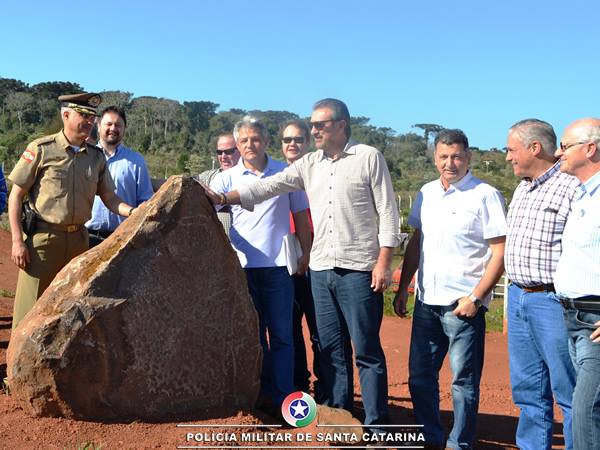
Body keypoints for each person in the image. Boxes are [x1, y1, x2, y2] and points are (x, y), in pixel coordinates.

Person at [205, 99, 400, 434]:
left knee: (366, 349)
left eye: (319, 125)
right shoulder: (309, 163)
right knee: (330, 348)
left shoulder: (368, 157)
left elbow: (389, 213)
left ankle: (377, 425)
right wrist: (225, 198)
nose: (313, 131)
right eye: (312, 125)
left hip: (358, 269)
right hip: (322, 270)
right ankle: (339, 418)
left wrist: (384, 262)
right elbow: (269, 186)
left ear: (341, 124)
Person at [393, 129, 506, 449]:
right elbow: (417, 241)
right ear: (434, 158)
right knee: (419, 376)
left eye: (456, 156)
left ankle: (461, 443)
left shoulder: (485, 195)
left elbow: (500, 252)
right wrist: (404, 287)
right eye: (443, 156)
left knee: (463, 383)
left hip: (462, 305)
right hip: (426, 300)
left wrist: (476, 297)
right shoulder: (426, 192)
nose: (450, 163)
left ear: (468, 157)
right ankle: (430, 436)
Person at [8, 93, 137, 329]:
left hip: (79, 242)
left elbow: (109, 197)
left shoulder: (95, 158)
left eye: (92, 117)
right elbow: (16, 195)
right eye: (83, 115)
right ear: (65, 115)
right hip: (43, 242)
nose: (89, 122)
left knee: (70, 309)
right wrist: (17, 240)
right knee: (29, 310)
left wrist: (134, 212)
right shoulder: (42, 149)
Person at [209, 116, 311, 413]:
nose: (250, 145)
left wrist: (305, 253)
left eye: (255, 139)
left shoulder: (286, 172)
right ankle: (259, 394)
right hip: (241, 270)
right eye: (244, 141)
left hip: (279, 269)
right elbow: (207, 210)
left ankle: (283, 397)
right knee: (254, 337)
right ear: (237, 145)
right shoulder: (227, 178)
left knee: (282, 335)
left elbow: (302, 216)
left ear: (266, 141)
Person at [504, 118, 579, 450]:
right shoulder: (522, 188)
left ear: (535, 148)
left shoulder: (571, 186)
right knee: (528, 391)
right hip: (518, 296)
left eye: (511, 149)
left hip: (553, 303)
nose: (507, 157)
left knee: (570, 391)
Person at [553, 118, 600, 450]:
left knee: (586, 414)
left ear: (591, 148)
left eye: (566, 146)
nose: (559, 153)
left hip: (595, 321)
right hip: (573, 319)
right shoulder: (583, 195)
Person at [280, 119, 323, 399]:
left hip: (318, 258)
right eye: (287, 140)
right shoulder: (278, 176)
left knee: (321, 329)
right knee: (290, 327)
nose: (292, 144)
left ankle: (327, 387)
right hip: (287, 258)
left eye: (298, 139)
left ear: (307, 143)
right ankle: (297, 384)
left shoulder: (320, 173)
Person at [85, 106, 153, 247]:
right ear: (98, 126)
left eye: (118, 125)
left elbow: (145, 199)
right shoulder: (85, 157)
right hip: (86, 236)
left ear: (124, 129)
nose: (113, 128)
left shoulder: (136, 161)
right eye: (108, 124)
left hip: (122, 238)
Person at [196, 133, 240, 237]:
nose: (223, 156)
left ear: (240, 151)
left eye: (229, 152)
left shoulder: (251, 179)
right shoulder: (208, 177)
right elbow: (185, 183)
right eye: (219, 152)